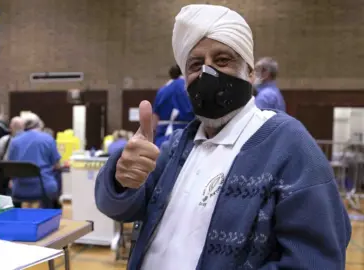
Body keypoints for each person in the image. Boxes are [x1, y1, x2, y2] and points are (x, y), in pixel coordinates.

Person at [95, 4, 351, 270]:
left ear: (251, 73)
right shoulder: (179, 146)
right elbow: (117, 208)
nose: (207, 73)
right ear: (185, 80)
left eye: (222, 60)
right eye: (195, 65)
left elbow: (317, 261)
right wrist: (120, 178)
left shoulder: (290, 146)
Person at [8, 113, 61, 208]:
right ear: (39, 124)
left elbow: (11, 166)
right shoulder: (48, 139)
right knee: (57, 175)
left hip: (20, 188)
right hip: (44, 189)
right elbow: (57, 165)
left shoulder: (15, 141)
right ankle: (53, 209)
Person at [153, 64, 195, 147]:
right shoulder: (189, 89)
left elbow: (154, 120)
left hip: (162, 139)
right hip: (186, 138)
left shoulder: (162, 90)